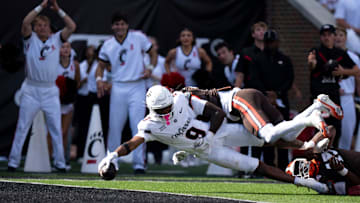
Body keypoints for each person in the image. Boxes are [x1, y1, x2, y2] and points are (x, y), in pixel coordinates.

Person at [98, 85, 329, 193]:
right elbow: (131, 144)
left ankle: (309, 130)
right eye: (162, 109)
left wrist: (209, 134)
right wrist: (113, 156)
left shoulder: (181, 99)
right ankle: (308, 182)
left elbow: (216, 112)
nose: (167, 111)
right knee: (257, 166)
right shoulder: (149, 125)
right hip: (209, 151)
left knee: (268, 139)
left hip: (219, 133)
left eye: (168, 105)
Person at [7, 0, 76, 172]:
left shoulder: (56, 40)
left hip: (50, 90)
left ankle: (59, 163)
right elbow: (25, 22)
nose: (42, 28)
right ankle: (13, 163)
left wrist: (58, 10)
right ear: (35, 27)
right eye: (38, 25)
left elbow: (71, 26)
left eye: (45, 25)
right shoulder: (30, 40)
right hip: (31, 89)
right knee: (22, 127)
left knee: (55, 129)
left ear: (49, 27)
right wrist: (41, 6)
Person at [95, 12, 157, 174]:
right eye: (116, 24)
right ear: (112, 27)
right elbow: (100, 65)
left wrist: (150, 69)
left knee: (138, 126)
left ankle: (139, 164)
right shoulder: (107, 44)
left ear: (127, 25)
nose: (120, 27)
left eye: (122, 24)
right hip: (118, 87)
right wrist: (99, 79)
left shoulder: (138, 38)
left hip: (137, 86)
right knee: (115, 126)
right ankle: (112, 161)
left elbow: (153, 53)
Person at [308, 24, 360, 146]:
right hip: (320, 99)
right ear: (321, 37)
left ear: (333, 36)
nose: (327, 38)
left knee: (337, 130)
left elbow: (356, 70)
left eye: (329, 35)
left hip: (335, 97)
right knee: (321, 131)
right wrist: (311, 62)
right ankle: (319, 161)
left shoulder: (340, 53)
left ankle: (332, 159)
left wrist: (343, 72)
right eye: (324, 35)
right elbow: (311, 64)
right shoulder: (316, 51)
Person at [286, 127, 360, 195]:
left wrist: (312, 143)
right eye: (298, 171)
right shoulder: (322, 181)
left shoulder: (316, 153)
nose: (302, 168)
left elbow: (331, 129)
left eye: (299, 165)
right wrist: (342, 170)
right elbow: (357, 183)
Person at [334, 27, 360, 150]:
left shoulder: (353, 57)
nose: (338, 38)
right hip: (331, 98)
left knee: (347, 133)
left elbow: (358, 77)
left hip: (347, 98)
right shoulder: (327, 55)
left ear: (345, 38)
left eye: (341, 35)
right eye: (336, 35)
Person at [56, 42, 80, 167]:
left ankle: (63, 159)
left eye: (68, 47)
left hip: (67, 103)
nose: (65, 50)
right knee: (52, 132)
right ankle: (50, 158)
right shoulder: (53, 63)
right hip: (54, 101)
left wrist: (69, 93)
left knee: (64, 132)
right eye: (63, 47)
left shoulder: (74, 64)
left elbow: (77, 82)